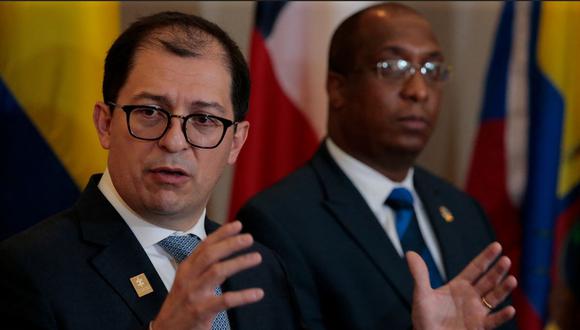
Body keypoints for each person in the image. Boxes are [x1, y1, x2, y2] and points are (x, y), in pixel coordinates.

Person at [0, 12, 299, 330]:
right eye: (149, 111)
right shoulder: (29, 268)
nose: (173, 142)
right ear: (105, 124)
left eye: (203, 120)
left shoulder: (261, 268)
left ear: (236, 142)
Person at [237, 3, 518, 330]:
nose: (418, 91)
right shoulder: (275, 222)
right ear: (337, 88)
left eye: (432, 70)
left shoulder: (465, 212)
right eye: (393, 67)